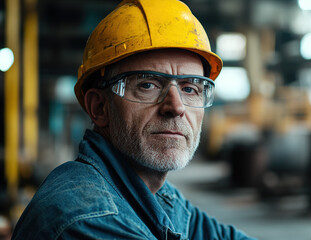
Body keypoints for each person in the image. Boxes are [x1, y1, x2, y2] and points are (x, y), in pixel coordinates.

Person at [12, 0, 256, 239]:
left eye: (190, 88)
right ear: (99, 107)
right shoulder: (87, 220)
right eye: (147, 85)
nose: (176, 107)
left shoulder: (154, 194)